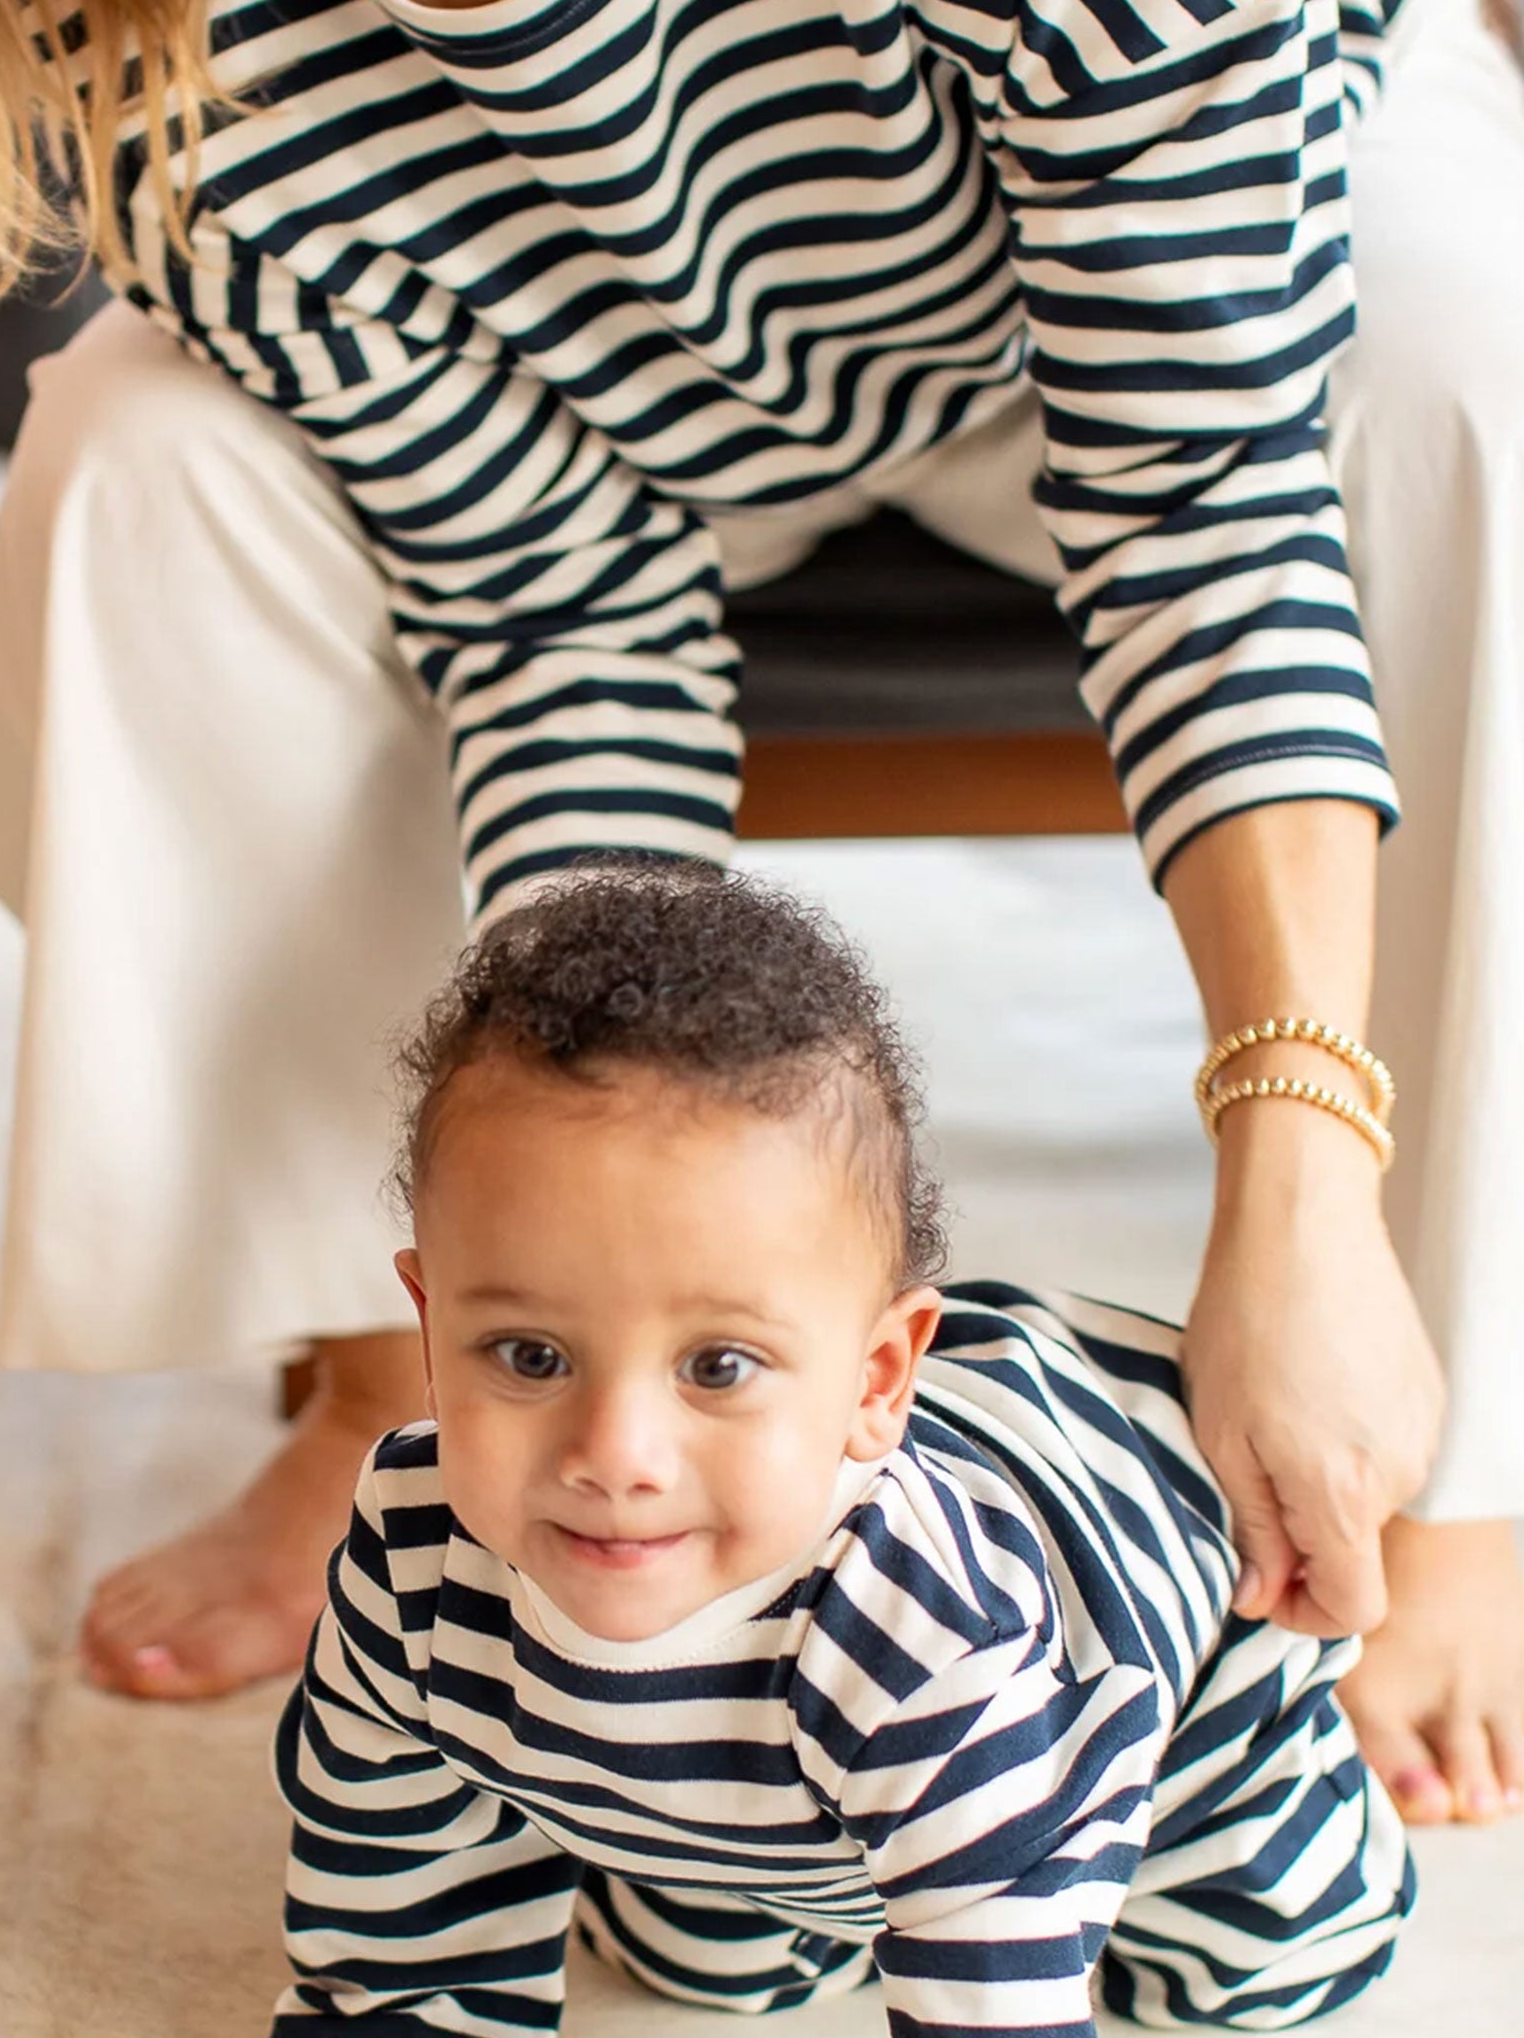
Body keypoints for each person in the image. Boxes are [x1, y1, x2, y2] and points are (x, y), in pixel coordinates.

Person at [0, 0, 1524, 1819]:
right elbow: (558, 603)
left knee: (1472, 397)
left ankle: (1459, 1443)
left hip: (1202, 256)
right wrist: (600, 1268)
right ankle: (395, 1399)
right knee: (130, 467)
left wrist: (1287, 1181)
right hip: (648, 381)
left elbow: (1200, 490)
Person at [272, 860, 1412, 2034]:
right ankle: (811, 1874)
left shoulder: (925, 1632)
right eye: (528, 1357)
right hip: (797, 1803)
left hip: (1160, 1696)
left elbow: (991, 1987)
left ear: (876, 1381)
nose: (615, 1456)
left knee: (1254, 1975)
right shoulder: (410, 1552)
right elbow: (397, 1900)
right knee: (708, 1964)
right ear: (429, 1322)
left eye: (717, 1367)